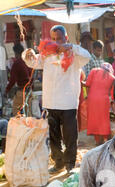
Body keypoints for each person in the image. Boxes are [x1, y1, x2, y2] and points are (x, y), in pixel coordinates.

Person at [22, 25, 91, 174]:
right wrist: (27, 55)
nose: (56, 42)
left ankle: (70, 165)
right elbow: (33, 62)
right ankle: (58, 163)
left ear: (66, 38)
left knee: (70, 137)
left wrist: (71, 46)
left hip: (68, 103)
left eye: (59, 38)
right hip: (51, 102)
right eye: (53, 39)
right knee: (54, 137)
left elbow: (87, 56)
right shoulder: (47, 54)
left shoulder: (75, 55)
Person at [84, 63, 115, 146]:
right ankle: (103, 140)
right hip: (104, 101)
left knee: (94, 119)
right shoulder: (112, 77)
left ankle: (97, 141)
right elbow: (112, 94)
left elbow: (87, 85)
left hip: (92, 99)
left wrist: (87, 96)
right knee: (103, 120)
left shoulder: (94, 71)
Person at [5, 43, 33, 116]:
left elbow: (12, 80)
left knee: (16, 111)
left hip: (21, 91)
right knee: (28, 113)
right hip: (29, 91)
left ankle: (17, 126)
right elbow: (32, 76)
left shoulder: (17, 63)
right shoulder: (27, 61)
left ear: (16, 52)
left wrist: (7, 90)